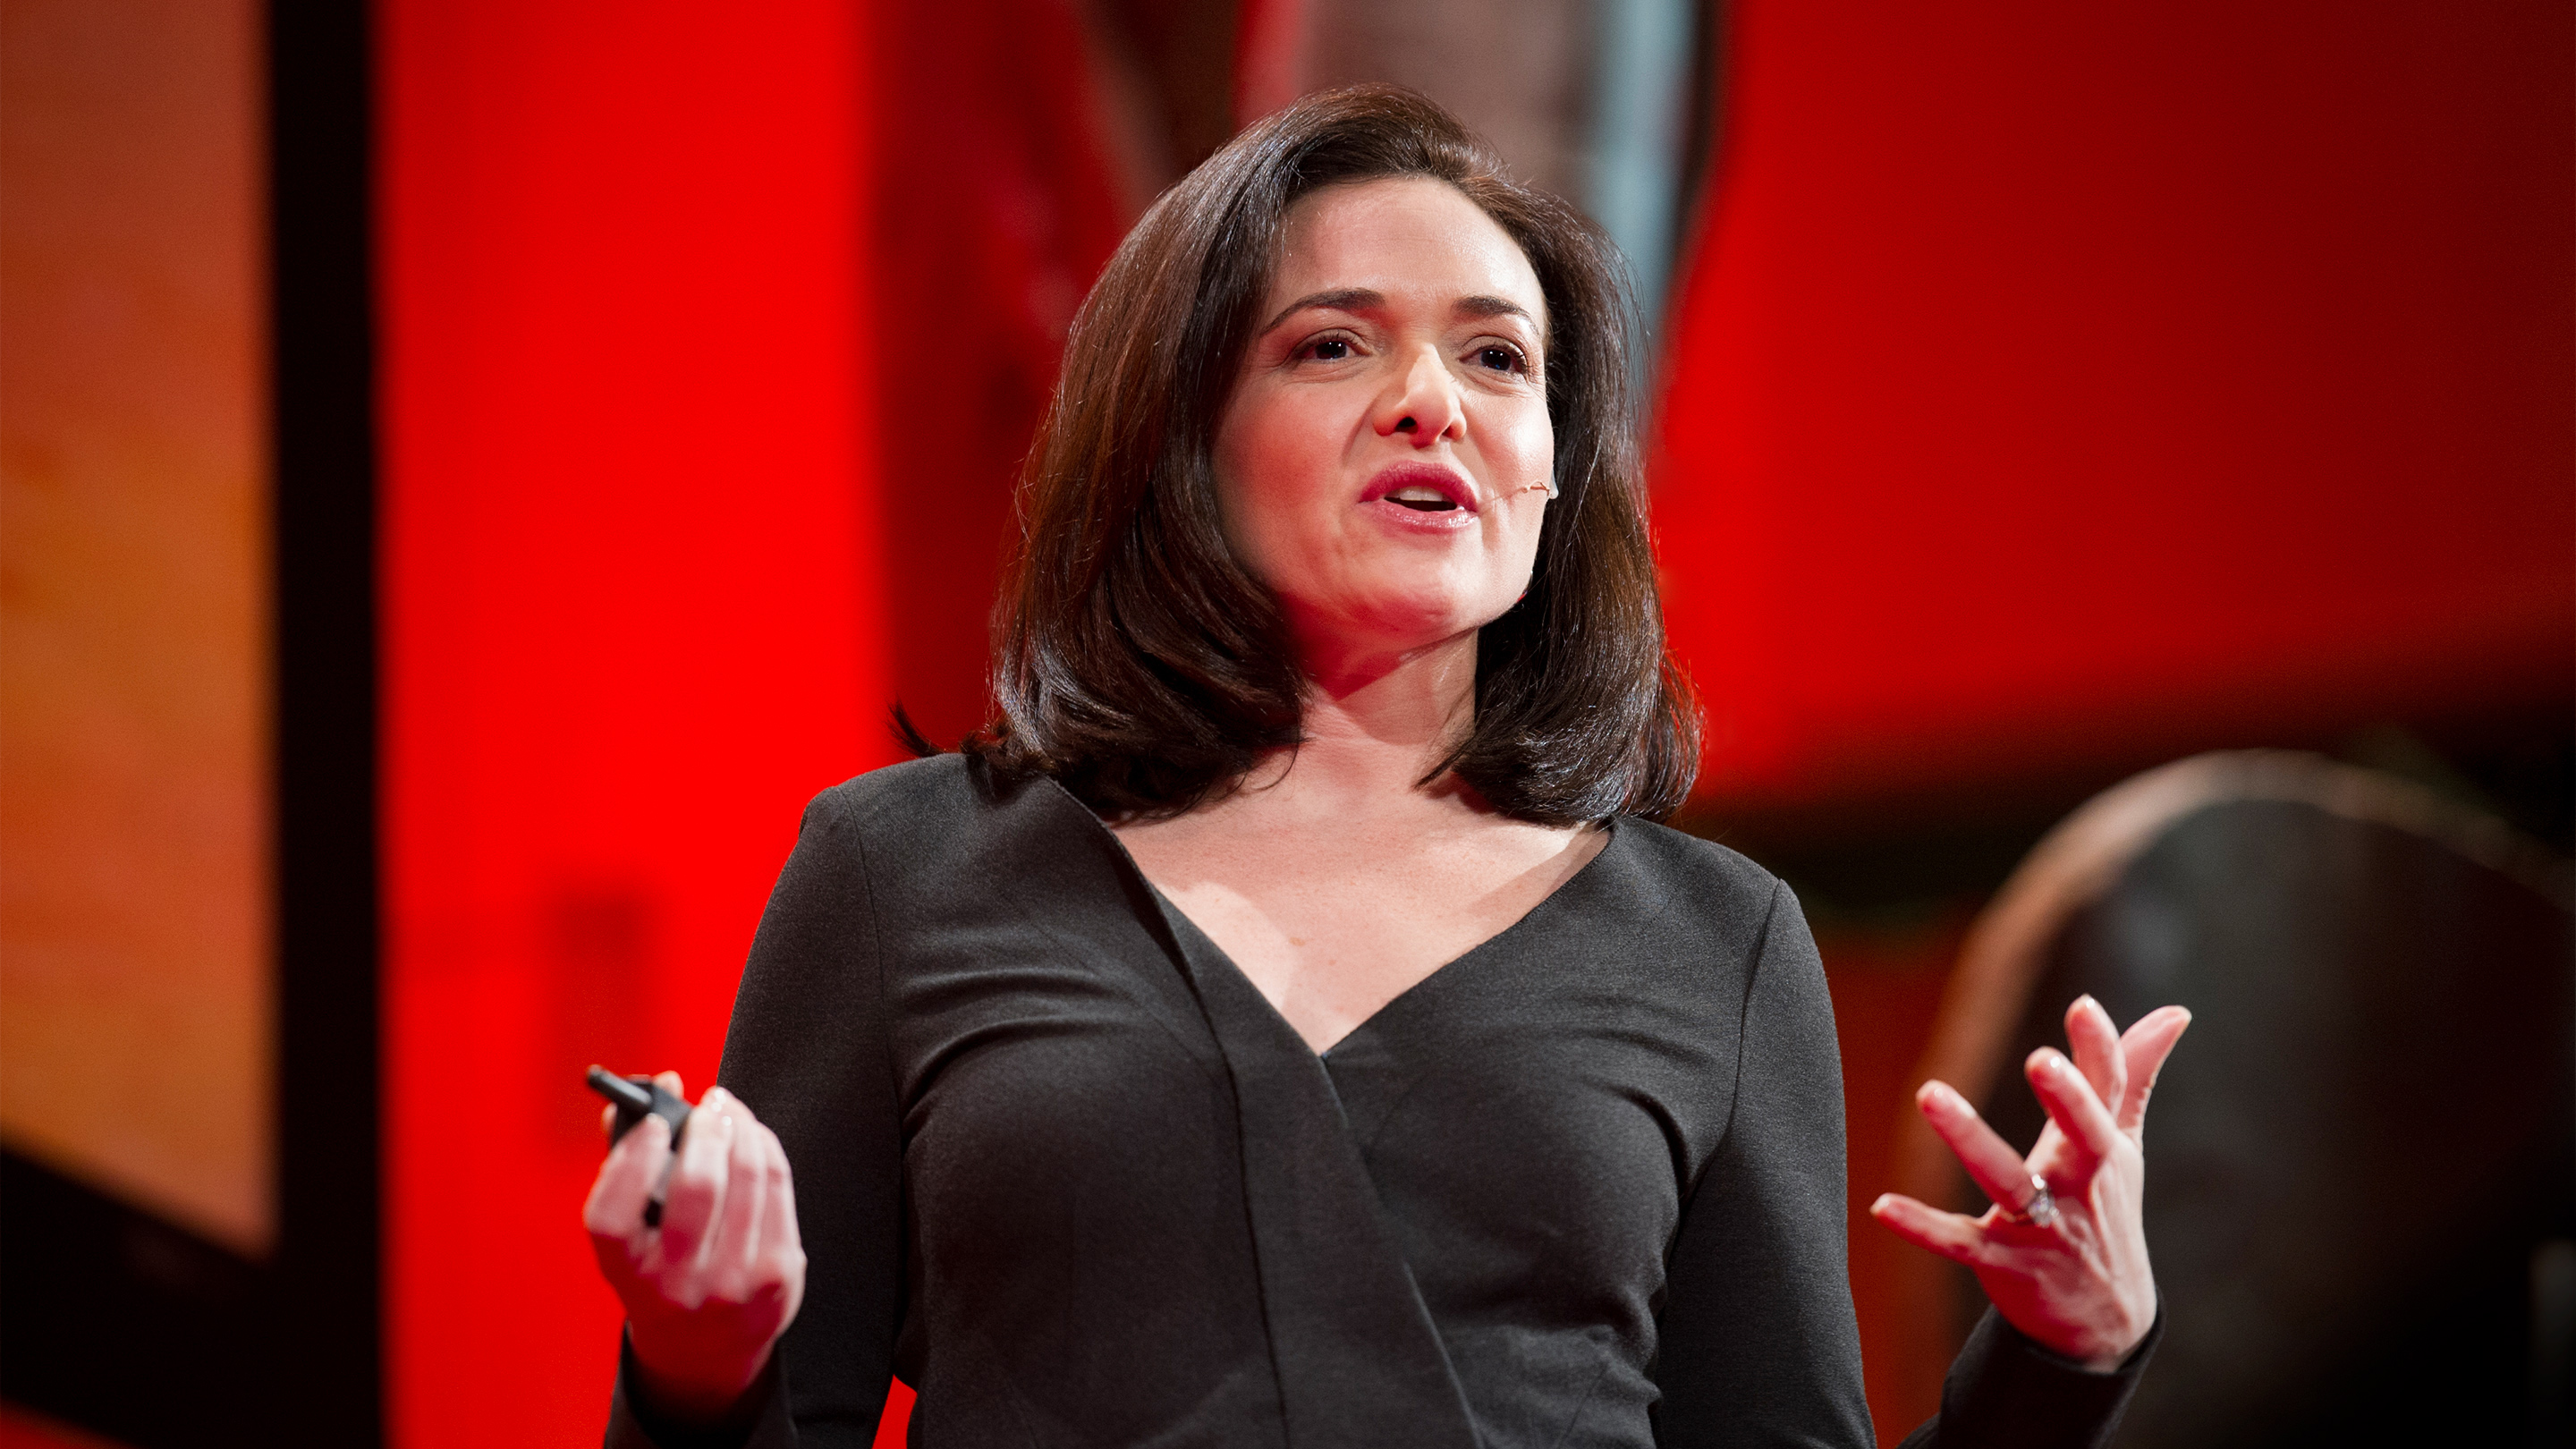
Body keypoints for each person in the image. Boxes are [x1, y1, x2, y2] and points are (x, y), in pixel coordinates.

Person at [583, 85, 2190, 1448]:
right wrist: (694, 1363)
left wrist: (2060, 1356)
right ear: (1180, 440)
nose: (1431, 403)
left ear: (1556, 469)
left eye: (1498, 361)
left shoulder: (1720, 946)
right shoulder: (904, 876)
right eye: (1334, 346)